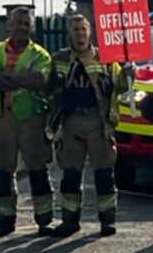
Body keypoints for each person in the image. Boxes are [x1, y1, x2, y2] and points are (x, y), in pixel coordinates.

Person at [47, 14, 132, 237]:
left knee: (104, 173)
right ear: (69, 33)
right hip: (71, 122)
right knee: (71, 174)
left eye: (83, 29)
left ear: (90, 32)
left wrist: (127, 72)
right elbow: (49, 91)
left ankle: (107, 221)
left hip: (98, 121)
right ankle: (69, 221)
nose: (79, 34)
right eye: (75, 30)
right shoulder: (60, 59)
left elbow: (120, 87)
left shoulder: (105, 58)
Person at [0, 6, 53, 237]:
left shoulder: (41, 54)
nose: (22, 28)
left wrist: (6, 76)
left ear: (31, 27)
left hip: (30, 118)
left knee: (37, 168)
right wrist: (22, 79)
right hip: (1, 118)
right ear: (9, 25)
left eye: (26, 24)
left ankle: (45, 219)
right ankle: (4, 220)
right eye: (18, 23)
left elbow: (39, 81)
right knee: (2, 170)